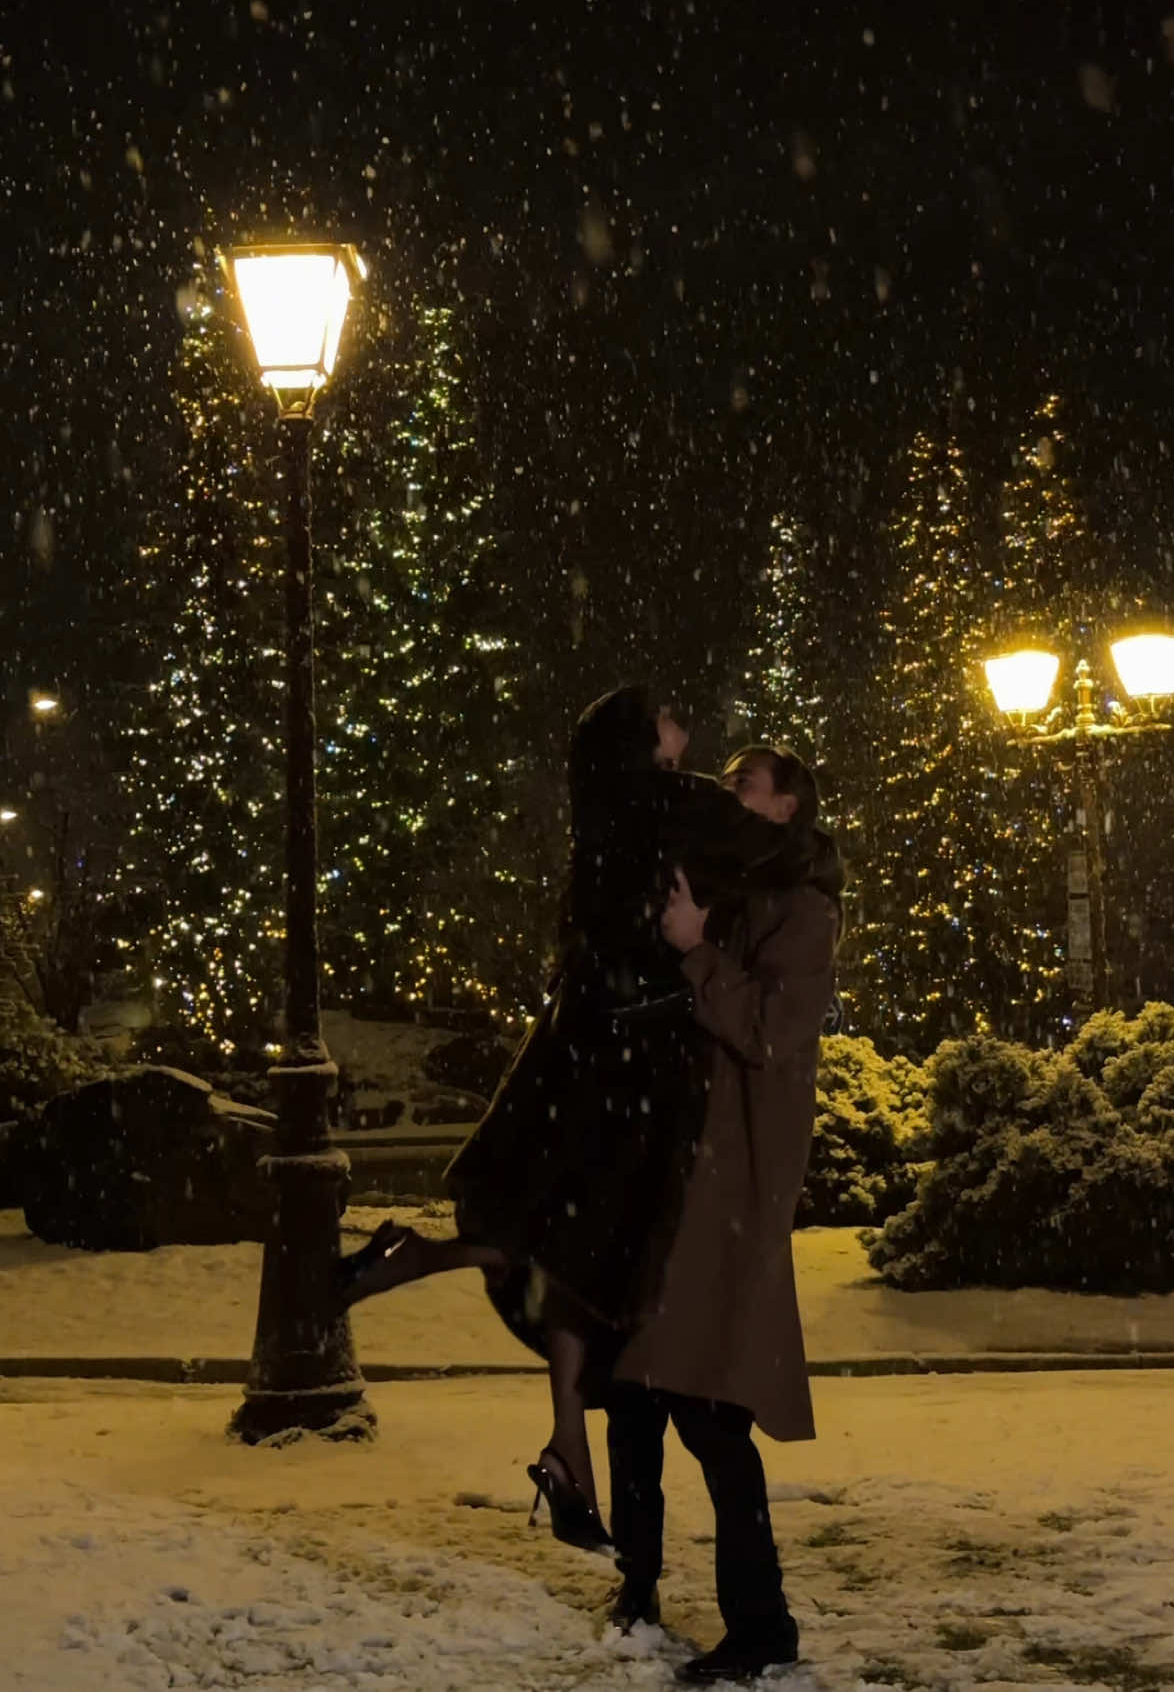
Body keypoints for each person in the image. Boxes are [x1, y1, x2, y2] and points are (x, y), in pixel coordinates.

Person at [338, 690, 800, 1552]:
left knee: (562, 1250)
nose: (684, 725)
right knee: (590, 1260)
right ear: (640, 737)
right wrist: (788, 842)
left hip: (583, 1054)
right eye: (669, 715)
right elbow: (774, 849)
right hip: (635, 1070)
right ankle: (556, 1429)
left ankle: (565, 1442)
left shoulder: (599, 809)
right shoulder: (667, 802)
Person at [604, 743, 843, 1685]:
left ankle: (762, 1624)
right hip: (683, 1184)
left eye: (747, 785)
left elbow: (769, 1032)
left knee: (708, 1410)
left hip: (730, 1192)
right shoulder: (733, 892)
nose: (729, 795)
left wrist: (697, 946)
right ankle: (640, 1585)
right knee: (641, 1388)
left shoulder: (802, 910)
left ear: (785, 809)